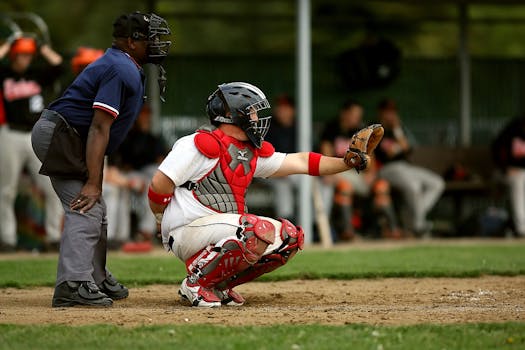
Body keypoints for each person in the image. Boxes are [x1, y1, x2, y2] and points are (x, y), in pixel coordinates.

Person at [148, 82, 377, 308]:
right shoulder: (197, 144)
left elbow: (301, 161)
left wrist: (347, 162)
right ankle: (196, 284)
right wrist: (160, 219)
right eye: (253, 112)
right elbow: (159, 185)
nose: (257, 118)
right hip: (187, 230)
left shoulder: (246, 152)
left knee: (289, 238)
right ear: (232, 114)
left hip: (220, 231)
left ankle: (218, 284)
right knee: (254, 230)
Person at [31, 12, 171, 307]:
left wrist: (96, 180)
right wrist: (94, 181)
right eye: (151, 38)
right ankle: (73, 284)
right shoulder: (121, 68)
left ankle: (94, 277)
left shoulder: (124, 64)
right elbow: (98, 127)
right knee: (86, 207)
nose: (157, 44)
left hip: (70, 136)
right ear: (132, 42)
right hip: (63, 135)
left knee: (98, 208)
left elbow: (98, 132)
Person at [0, 34, 64, 252]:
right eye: (21, 54)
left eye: (28, 55)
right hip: (10, 133)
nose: (25, 59)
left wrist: (42, 48)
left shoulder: (37, 75)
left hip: (36, 134)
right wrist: (8, 46)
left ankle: (54, 237)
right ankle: (7, 239)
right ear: (13, 56)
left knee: (52, 187)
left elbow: (58, 65)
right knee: (6, 190)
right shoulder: (5, 74)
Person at [319, 99, 400, 240]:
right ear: (344, 114)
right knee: (345, 187)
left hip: (359, 176)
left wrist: (370, 173)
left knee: (382, 187)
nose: (357, 119)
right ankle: (348, 232)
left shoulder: (361, 131)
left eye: (358, 116)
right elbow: (326, 157)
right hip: (339, 173)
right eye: (354, 115)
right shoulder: (332, 129)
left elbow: (371, 161)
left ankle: (392, 231)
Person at [374, 98, 444, 236]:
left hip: (404, 167)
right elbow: (388, 153)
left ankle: (412, 216)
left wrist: (396, 128)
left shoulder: (398, 129)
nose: (391, 115)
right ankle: (418, 225)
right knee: (414, 186)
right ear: (381, 113)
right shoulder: (375, 128)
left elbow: (406, 148)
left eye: (393, 112)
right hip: (386, 169)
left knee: (437, 183)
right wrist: (397, 145)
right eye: (387, 112)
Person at [104, 104, 167, 251]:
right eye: (143, 115)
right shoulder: (125, 136)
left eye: (147, 115)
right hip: (123, 176)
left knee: (152, 178)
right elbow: (117, 168)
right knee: (120, 189)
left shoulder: (152, 138)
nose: (146, 118)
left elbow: (161, 160)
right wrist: (127, 180)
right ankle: (115, 237)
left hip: (142, 177)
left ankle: (144, 231)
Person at [264, 94, 298, 221]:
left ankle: (314, 223)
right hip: (271, 169)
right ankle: (286, 223)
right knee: (282, 184)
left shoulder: (300, 126)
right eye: (280, 107)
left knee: (311, 182)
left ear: (292, 110)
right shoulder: (268, 126)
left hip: (294, 170)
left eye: (285, 108)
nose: (281, 111)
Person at [492, 115, 525, 237]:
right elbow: (496, 151)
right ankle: (521, 228)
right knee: (519, 180)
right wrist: (505, 168)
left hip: (522, 174)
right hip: (502, 173)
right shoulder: (511, 132)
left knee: (521, 177)